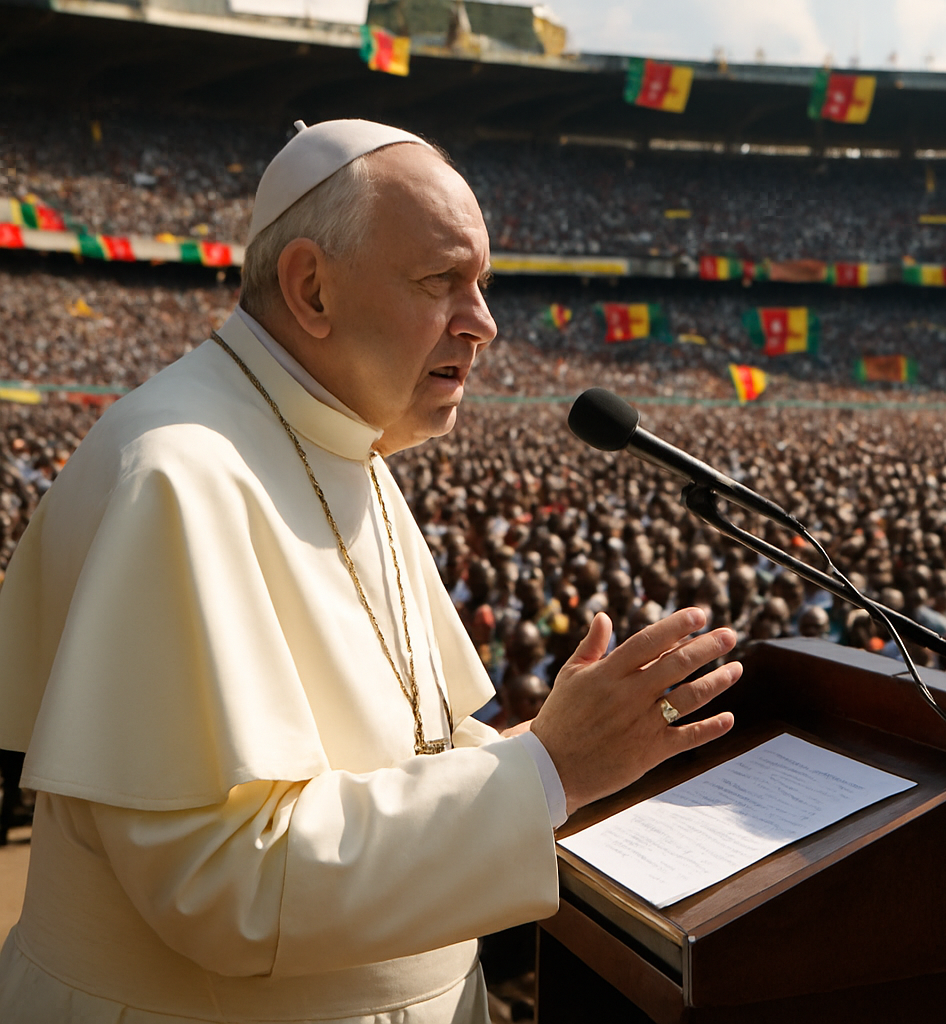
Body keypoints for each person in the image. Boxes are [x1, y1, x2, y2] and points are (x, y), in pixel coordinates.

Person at [0, 121, 743, 1020]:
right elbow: (223, 884)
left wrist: (553, 751)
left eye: (484, 286)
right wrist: (548, 768)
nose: (485, 323)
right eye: (443, 282)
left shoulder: (345, 444)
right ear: (312, 288)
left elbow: (399, 757)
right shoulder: (180, 474)